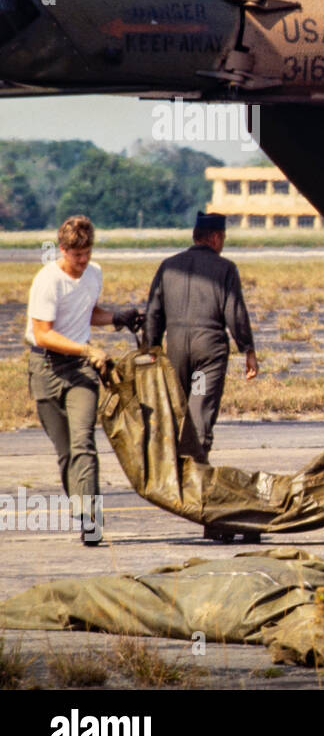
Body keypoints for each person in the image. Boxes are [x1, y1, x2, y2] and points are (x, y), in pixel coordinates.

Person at [27, 215, 141, 545]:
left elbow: (87, 311)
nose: (84, 259)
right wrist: (87, 348)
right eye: (78, 254)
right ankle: (80, 507)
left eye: (88, 252)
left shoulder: (95, 274)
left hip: (81, 371)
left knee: (83, 445)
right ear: (63, 250)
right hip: (46, 368)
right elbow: (43, 333)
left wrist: (117, 318)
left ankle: (91, 521)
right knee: (65, 452)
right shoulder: (48, 281)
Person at [144, 211, 257, 462]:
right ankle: (197, 472)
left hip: (175, 350)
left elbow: (153, 312)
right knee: (200, 412)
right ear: (215, 237)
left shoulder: (168, 265)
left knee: (177, 411)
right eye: (224, 238)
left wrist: (150, 350)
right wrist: (247, 350)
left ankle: (173, 468)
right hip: (208, 353)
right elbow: (235, 312)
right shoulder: (225, 268)